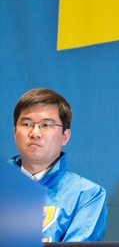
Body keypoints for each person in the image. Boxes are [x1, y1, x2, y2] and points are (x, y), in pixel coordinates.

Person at [10, 88, 107, 242]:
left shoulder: (86, 195)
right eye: (27, 124)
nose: (35, 133)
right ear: (15, 132)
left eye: (46, 125)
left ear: (65, 137)